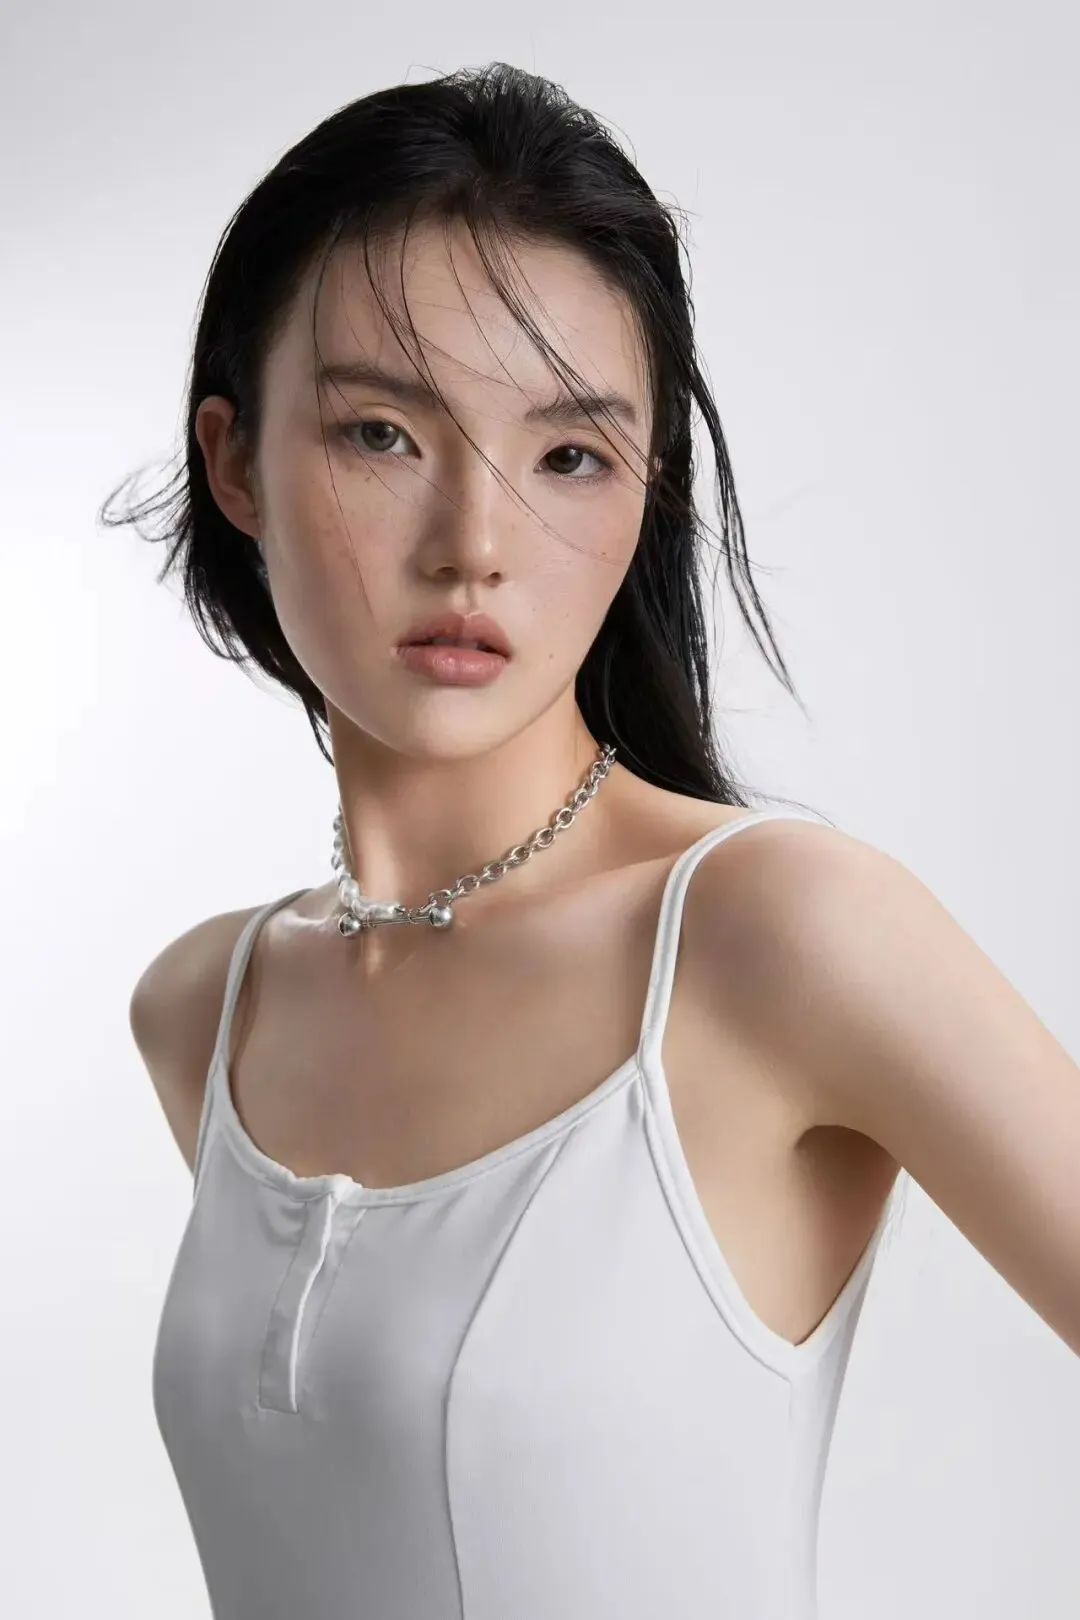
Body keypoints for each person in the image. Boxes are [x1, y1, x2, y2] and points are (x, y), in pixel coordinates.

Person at [108, 61, 1079, 1620]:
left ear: (647, 494)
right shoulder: (204, 1010)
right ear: (233, 460)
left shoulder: (777, 933)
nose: (475, 547)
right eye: (380, 434)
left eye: (569, 455)